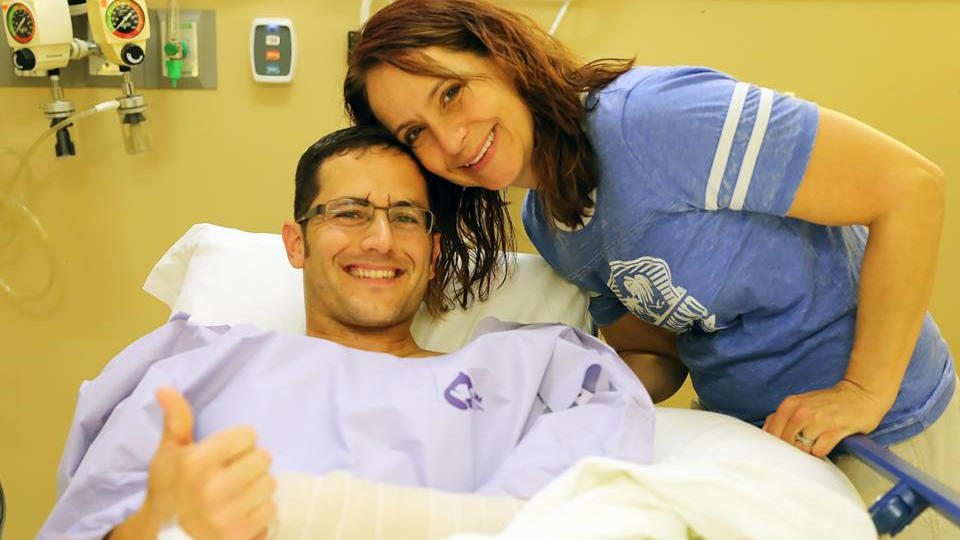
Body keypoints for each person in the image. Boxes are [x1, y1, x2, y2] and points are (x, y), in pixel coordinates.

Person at [343, 1, 958, 536]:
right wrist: (529, 396)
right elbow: (658, 361)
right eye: (416, 132)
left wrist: (862, 393)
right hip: (767, 445)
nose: (449, 141)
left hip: (886, 431)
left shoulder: (651, 121)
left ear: (501, 57)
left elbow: (909, 189)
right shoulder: (548, 223)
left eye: (452, 92)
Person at [37, 126, 654, 540]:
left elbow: (595, 491)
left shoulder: (535, 367)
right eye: (350, 212)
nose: (381, 239)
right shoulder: (194, 367)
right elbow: (87, 521)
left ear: (435, 252)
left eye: (405, 217)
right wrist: (159, 521)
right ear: (296, 241)